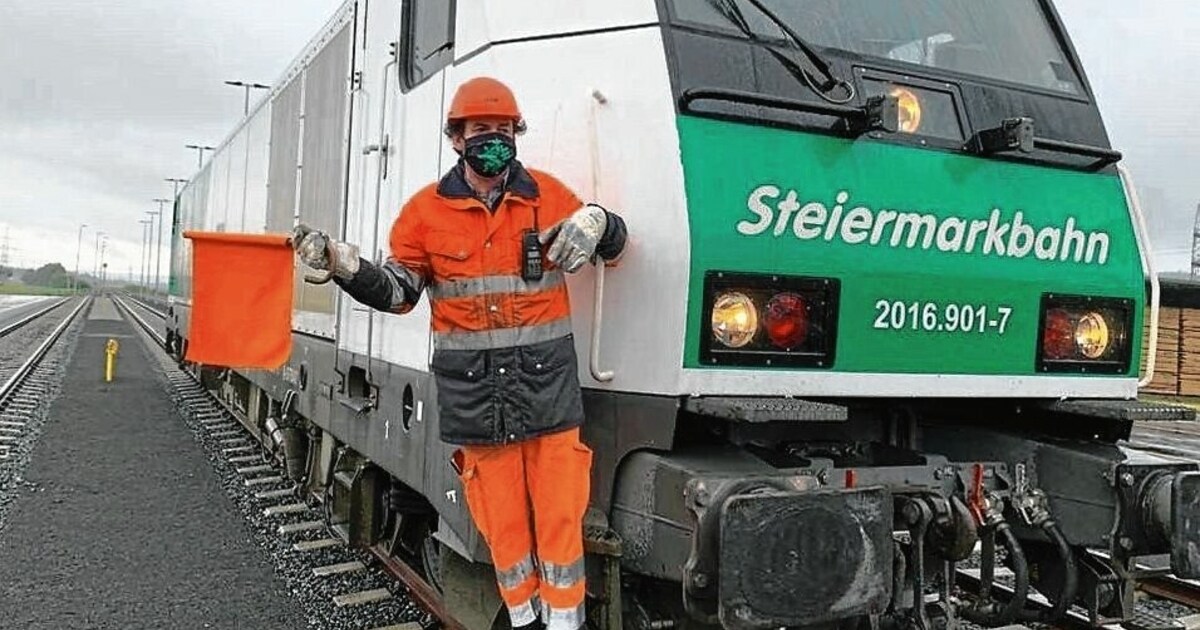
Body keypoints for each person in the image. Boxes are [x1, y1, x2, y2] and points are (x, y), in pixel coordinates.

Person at [293, 76, 628, 630]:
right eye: (480, 131)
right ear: (456, 139)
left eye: (502, 130)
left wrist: (600, 221)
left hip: (546, 392)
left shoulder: (547, 197)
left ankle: (566, 624)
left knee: (560, 517)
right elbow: (399, 293)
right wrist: (345, 268)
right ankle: (524, 619)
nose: (492, 139)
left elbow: (611, 250)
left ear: (516, 135)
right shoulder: (423, 215)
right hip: (477, 396)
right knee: (502, 525)